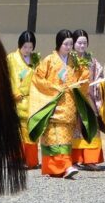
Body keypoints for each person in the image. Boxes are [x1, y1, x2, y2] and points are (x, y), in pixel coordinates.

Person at [27, 29, 96, 179]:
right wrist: (55, 88)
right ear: (59, 44)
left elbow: (81, 79)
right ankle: (65, 166)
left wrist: (84, 76)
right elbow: (38, 79)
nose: (69, 47)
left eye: (71, 44)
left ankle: (57, 169)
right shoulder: (49, 60)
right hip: (53, 105)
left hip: (69, 106)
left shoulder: (74, 61)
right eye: (66, 44)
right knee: (55, 138)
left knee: (65, 139)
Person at [70, 29, 105, 170]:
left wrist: (100, 84)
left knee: (91, 127)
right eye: (79, 43)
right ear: (73, 43)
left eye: (85, 43)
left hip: (90, 98)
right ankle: (74, 159)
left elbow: (99, 75)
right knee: (75, 130)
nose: (82, 46)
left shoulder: (92, 61)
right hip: (73, 98)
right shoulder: (69, 60)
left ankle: (90, 159)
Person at [7, 31, 41, 169]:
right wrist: (14, 94)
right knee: (17, 131)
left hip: (31, 99)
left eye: (30, 47)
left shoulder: (35, 59)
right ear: (19, 45)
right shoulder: (11, 58)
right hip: (16, 99)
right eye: (25, 47)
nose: (28, 50)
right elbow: (9, 77)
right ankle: (16, 159)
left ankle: (31, 160)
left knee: (31, 130)